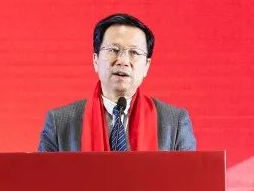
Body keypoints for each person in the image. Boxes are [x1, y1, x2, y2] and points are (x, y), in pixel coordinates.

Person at [38, 13, 196, 151]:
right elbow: (43, 176)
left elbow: (188, 176)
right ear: (95, 60)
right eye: (113, 50)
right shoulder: (59, 122)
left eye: (134, 52)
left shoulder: (175, 122)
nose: (122, 60)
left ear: (147, 66)